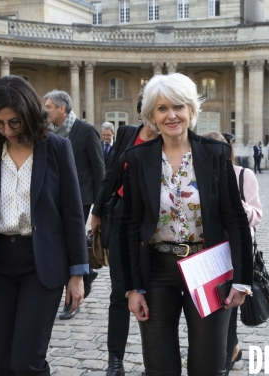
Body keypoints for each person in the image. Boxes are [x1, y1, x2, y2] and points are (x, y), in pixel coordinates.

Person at [0, 76, 88, 375]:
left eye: (14, 122)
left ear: (29, 115)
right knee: (4, 364)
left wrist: (77, 273)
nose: (7, 130)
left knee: (26, 362)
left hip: (41, 264)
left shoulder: (57, 149)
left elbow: (73, 214)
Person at [121, 73, 253, 375]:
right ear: (151, 115)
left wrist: (242, 279)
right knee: (159, 364)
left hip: (208, 267)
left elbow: (235, 219)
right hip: (157, 270)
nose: (171, 115)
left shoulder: (215, 153)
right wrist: (132, 288)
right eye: (162, 108)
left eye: (178, 106)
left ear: (191, 110)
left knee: (208, 364)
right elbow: (129, 226)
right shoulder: (138, 159)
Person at [90, 91, 158, 376]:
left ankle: (155, 362)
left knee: (153, 293)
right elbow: (110, 174)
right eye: (152, 108)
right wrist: (96, 211)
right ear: (142, 110)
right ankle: (115, 360)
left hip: (154, 223)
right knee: (121, 292)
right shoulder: (128, 133)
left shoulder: (172, 138)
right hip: (119, 217)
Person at [203, 131, 262, 375]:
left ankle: (227, 357)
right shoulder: (200, 174)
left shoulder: (243, 175)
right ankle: (232, 348)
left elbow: (257, 214)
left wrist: (238, 207)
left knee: (228, 306)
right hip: (208, 253)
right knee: (212, 308)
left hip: (233, 251)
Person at [44, 89, 105, 320]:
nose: (45, 110)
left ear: (62, 108)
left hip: (81, 197)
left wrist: (100, 207)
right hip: (54, 197)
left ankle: (72, 298)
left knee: (74, 241)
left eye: (49, 106)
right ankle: (86, 274)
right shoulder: (48, 132)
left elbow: (100, 170)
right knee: (59, 242)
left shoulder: (86, 131)